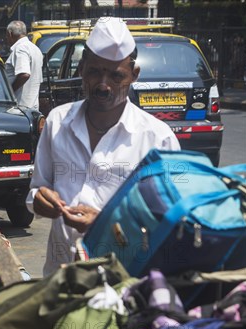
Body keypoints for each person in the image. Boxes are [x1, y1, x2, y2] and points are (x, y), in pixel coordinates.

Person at [26, 17, 180, 276]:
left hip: (125, 285)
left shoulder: (158, 139)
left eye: (116, 75)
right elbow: (37, 190)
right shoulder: (57, 122)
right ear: (81, 69)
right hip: (61, 280)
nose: (103, 85)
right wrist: (39, 200)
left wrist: (105, 223)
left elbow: (171, 223)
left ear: (134, 75)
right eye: (95, 72)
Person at [5, 20, 43, 110]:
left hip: (20, 108)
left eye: (6, 35)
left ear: (10, 34)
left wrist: (9, 92)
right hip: (32, 107)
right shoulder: (35, 49)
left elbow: (24, 74)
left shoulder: (20, 48)